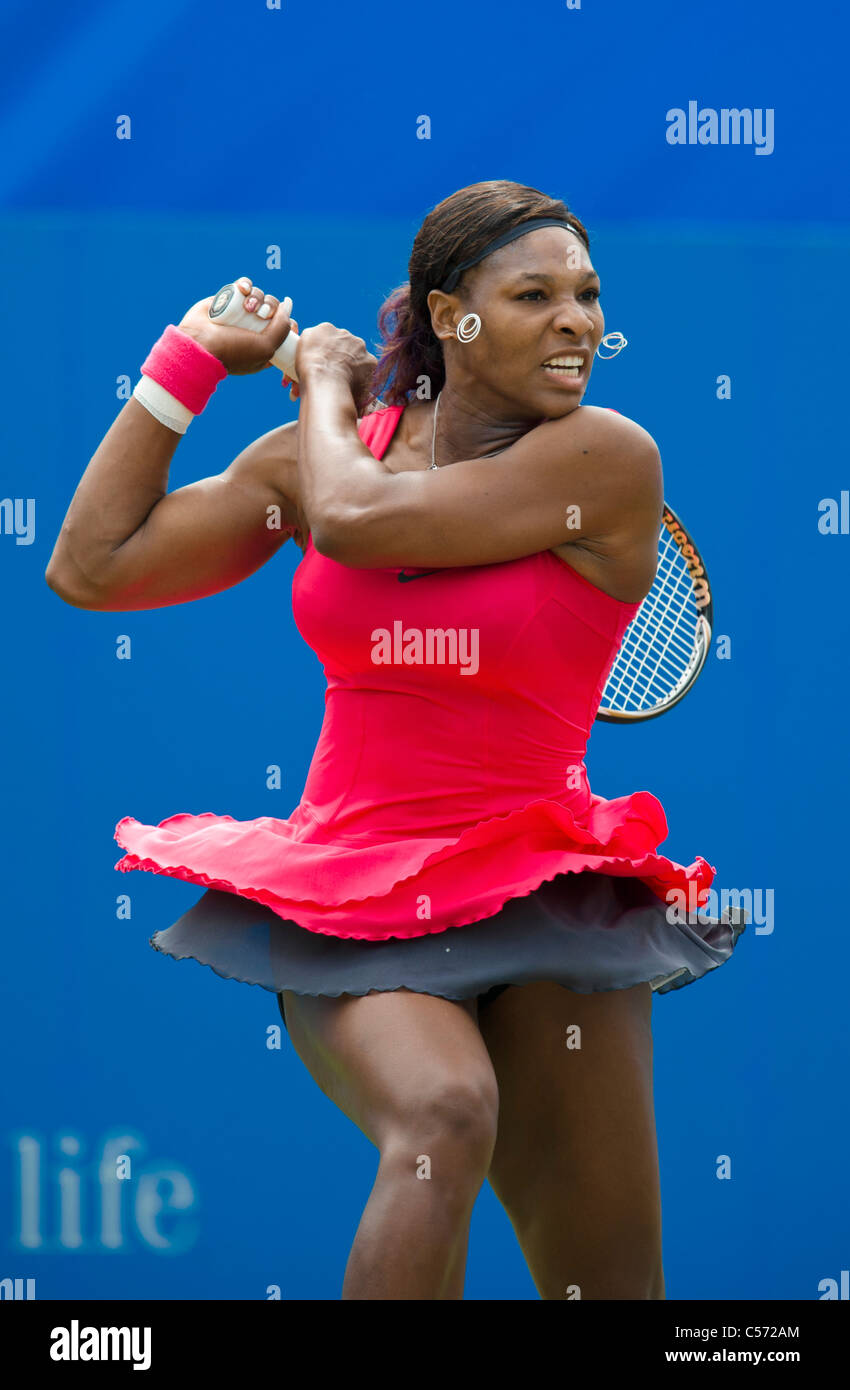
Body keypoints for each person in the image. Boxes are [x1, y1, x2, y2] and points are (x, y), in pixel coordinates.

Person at [45, 179, 744, 1300]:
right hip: (352, 892)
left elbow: (362, 521)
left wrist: (321, 384)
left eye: (588, 295)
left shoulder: (602, 458)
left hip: (548, 889)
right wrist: (187, 360)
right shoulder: (318, 458)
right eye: (535, 295)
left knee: (613, 1291)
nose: (579, 321)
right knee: (440, 1110)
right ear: (449, 317)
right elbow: (91, 565)